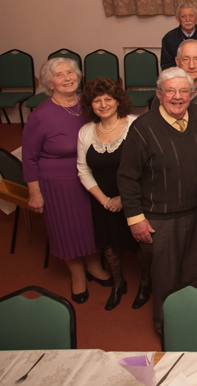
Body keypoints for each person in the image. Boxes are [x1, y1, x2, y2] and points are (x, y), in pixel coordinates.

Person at [118, 67, 197, 333]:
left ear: (192, 93)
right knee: (166, 279)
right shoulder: (142, 128)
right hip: (160, 219)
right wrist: (135, 219)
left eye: (184, 91)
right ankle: (168, 330)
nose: (177, 97)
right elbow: (126, 177)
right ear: (159, 94)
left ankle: (195, 326)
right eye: (170, 91)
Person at [24, 58, 110, 304]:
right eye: (59, 75)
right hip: (58, 182)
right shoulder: (41, 116)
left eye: (70, 72)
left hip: (91, 176)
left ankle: (94, 265)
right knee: (65, 229)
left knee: (91, 225)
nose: (67, 78)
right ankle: (77, 274)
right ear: (49, 83)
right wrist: (35, 193)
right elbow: (29, 158)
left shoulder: (91, 103)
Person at [76, 77, 148, 311]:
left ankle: (145, 283)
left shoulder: (136, 125)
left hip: (134, 198)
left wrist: (124, 200)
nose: (103, 105)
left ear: (118, 101)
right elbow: (83, 170)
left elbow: (147, 168)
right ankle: (118, 283)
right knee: (108, 245)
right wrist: (105, 200)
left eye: (108, 99)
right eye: (97, 100)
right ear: (90, 105)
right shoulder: (86, 131)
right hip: (103, 201)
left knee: (138, 245)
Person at [160, 2, 197, 70]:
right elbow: (167, 66)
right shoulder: (169, 39)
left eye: (191, 16)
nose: (187, 19)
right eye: (183, 16)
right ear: (177, 18)